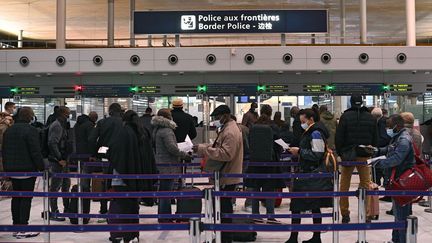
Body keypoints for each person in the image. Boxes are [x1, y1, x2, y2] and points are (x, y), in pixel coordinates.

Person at [194, 105, 243, 243]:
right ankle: (222, 237)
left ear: (225, 116)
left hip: (227, 175)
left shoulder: (230, 132)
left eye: (217, 117)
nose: (216, 120)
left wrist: (204, 149)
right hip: (225, 174)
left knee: (224, 211)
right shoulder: (227, 129)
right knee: (221, 209)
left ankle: (226, 239)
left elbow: (226, 154)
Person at [108, 110, 157, 243]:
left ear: (124, 120)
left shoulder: (123, 133)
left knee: (120, 206)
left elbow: (114, 152)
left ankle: (118, 234)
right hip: (139, 178)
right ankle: (132, 234)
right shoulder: (144, 132)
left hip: (121, 178)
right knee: (133, 206)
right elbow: (149, 155)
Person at [286, 108, 332, 243]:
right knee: (313, 206)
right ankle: (312, 237)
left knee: (299, 206)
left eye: (303, 121)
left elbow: (316, 154)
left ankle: (298, 238)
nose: (302, 124)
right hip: (309, 174)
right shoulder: (312, 131)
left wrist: (299, 151)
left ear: (311, 119)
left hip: (310, 174)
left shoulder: (316, 133)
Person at [2, 107, 44, 239]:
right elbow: (35, 151)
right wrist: (41, 167)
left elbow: (4, 150)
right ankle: (23, 227)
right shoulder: (31, 130)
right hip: (27, 170)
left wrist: (6, 169)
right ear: (30, 117)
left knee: (16, 198)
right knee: (26, 199)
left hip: (12, 169)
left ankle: (16, 226)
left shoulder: (9, 130)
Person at [335, 95, 377, 223]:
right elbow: (375, 137)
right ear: (362, 102)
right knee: (366, 184)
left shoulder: (345, 117)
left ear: (351, 103)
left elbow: (339, 137)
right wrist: (372, 151)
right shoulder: (370, 117)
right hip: (364, 154)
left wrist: (341, 153)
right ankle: (366, 213)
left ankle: (345, 214)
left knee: (344, 185)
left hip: (348, 155)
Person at [373, 115, 415, 243]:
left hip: (403, 182)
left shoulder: (403, 139)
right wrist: (378, 151)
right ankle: (395, 239)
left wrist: (379, 164)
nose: (388, 128)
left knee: (401, 215)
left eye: (390, 126)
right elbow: (390, 149)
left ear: (397, 125)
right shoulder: (399, 137)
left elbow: (397, 159)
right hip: (398, 180)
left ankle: (401, 240)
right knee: (398, 214)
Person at [245, 105, 284, 223]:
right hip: (270, 163)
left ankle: (255, 215)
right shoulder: (273, 127)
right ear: (270, 113)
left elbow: (249, 144)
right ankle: (270, 215)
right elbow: (278, 145)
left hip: (255, 163)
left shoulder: (253, 127)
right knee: (269, 190)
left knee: (255, 189)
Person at [151, 109, 192, 223]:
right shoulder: (167, 131)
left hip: (161, 162)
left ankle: (163, 215)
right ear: (167, 117)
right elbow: (172, 148)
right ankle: (165, 217)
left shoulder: (157, 129)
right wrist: (184, 155)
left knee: (164, 191)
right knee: (166, 192)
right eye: (170, 115)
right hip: (168, 165)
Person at [88, 103, 124, 215]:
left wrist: (95, 153)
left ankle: (103, 208)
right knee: (119, 182)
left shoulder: (102, 122)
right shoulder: (124, 123)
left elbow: (91, 139)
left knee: (104, 182)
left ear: (110, 111)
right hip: (120, 156)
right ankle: (117, 208)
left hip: (104, 155)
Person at [48, 106, 71, 221]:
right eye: (67, 113)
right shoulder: (57, 125)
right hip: (58, 161)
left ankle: (67, 208)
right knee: (55, 186)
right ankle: (54, 211)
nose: (69, 115)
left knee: (66, 184)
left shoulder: (62, 125)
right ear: (62, 113)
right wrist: (59, 158)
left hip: (63, 160)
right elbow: (52, 143)